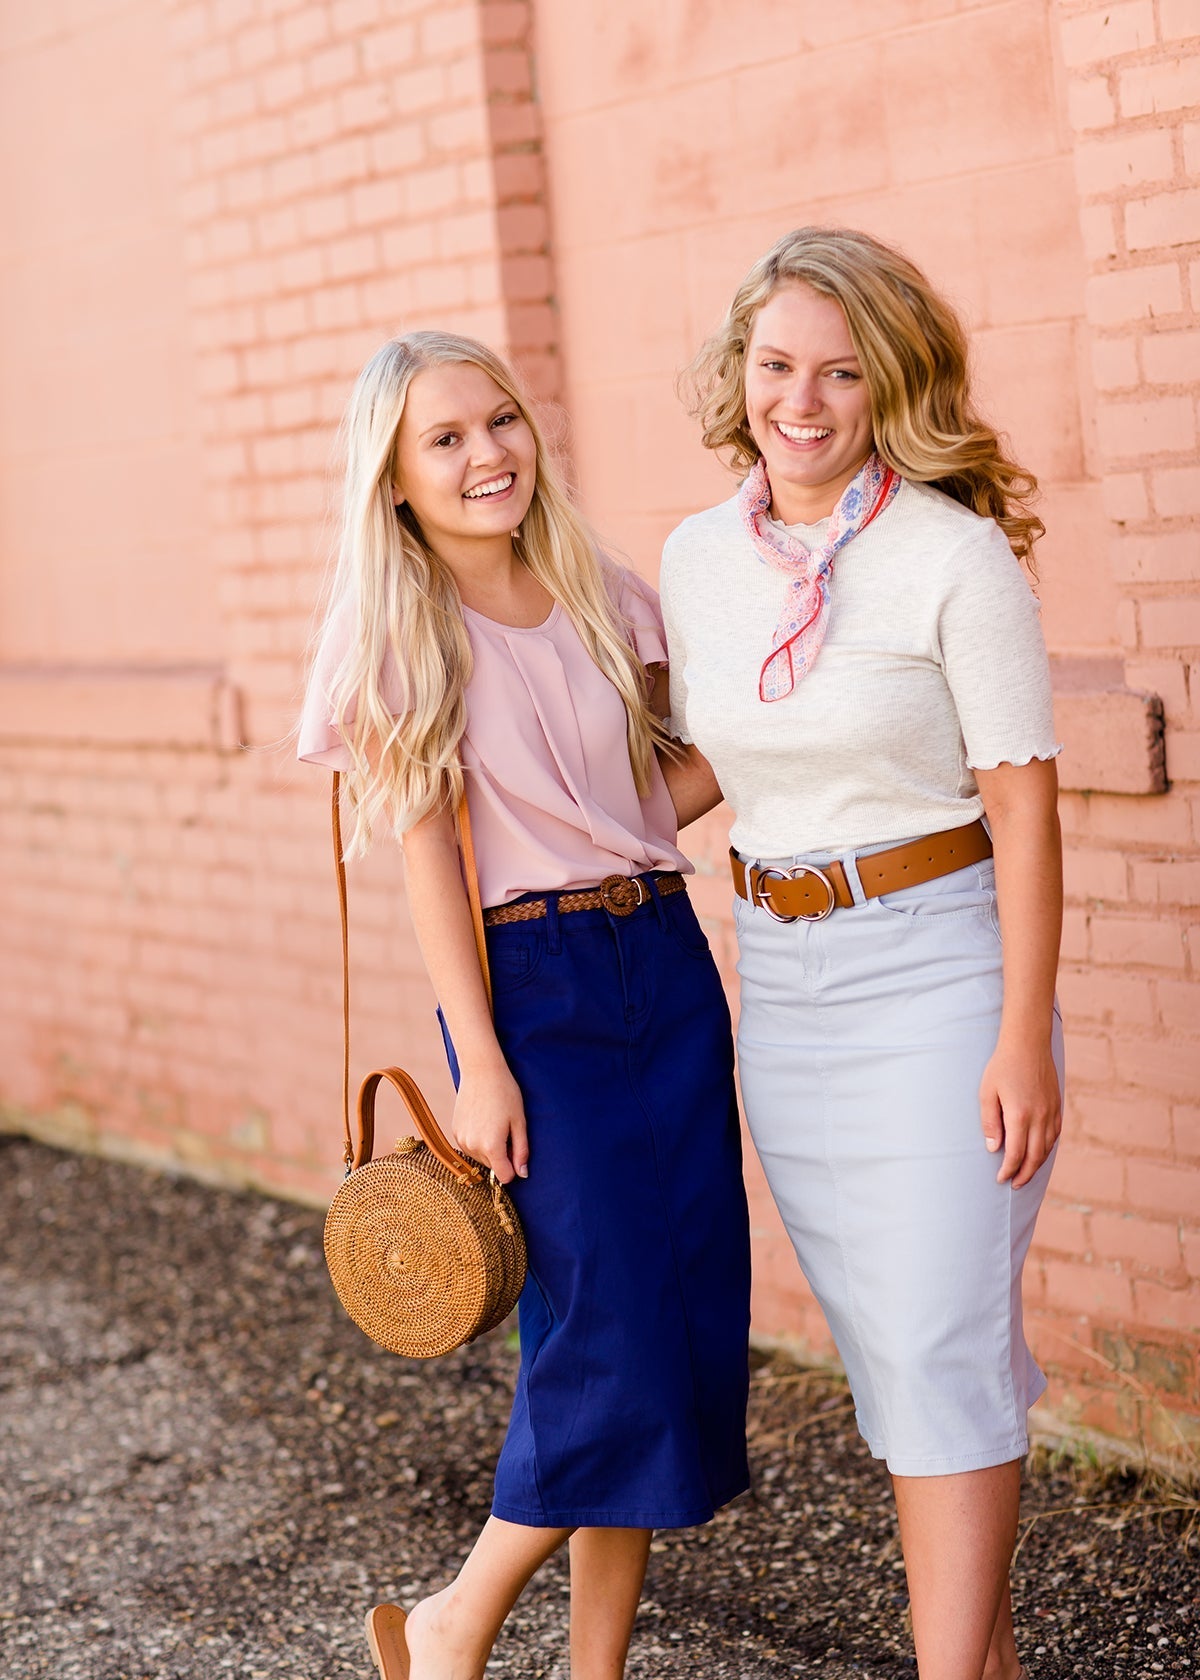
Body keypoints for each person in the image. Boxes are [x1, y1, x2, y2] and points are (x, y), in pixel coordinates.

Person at [298, 331, 751, 1680]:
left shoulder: (596, 590)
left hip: (664, 965)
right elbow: (431, 859)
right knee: (605, 1326)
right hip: (531, 994)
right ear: (394, 477)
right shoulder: (396, 634)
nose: (487, 453)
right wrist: (480, 1061)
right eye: (445, 439)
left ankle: (589, 1670)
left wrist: (791, 723)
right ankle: (451, 1623)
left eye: (500, 421)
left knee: (667, 1322)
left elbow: (646, 803)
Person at [659, 227, 1063, 1680]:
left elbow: (1022, 801)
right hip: (785, 983)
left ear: (889, 382)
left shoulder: (951, 557)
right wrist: (534, 827)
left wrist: (1023, 1030)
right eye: (777, 366)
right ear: (741, 372)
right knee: (899, 1352)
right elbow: (713, 761)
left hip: (939, 976)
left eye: (841, 372)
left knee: (944, 1343)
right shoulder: (699, 559)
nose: (804, 402)